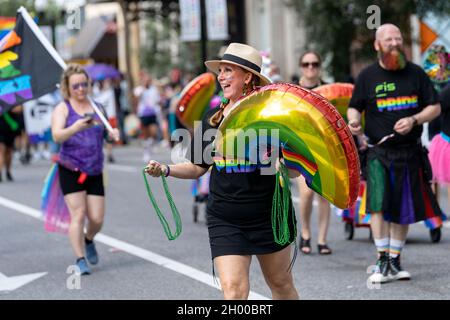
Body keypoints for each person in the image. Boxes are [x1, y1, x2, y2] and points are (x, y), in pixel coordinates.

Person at [145, 43, 299, 300]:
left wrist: (286, 164)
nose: (222, 76)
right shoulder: (212, 118)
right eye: (221, 71)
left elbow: (294, 169)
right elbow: (197, 167)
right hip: (225, 217)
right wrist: (165, 169)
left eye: (229, 70)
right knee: (234, 291)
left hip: (267, 214)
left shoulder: (272, 116)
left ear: (247, 76)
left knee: (281, 284)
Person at [347, 24, 442, 284]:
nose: (394, 42)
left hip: (409, 152)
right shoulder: (368, 76)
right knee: (377, 204)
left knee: (403, 207)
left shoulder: (416, 74)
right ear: (377, 45)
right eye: (389, 39)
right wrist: (354, 122)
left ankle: (395, 260)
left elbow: (434, 107)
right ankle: (381, 258)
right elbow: (355, 108)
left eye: (398, 38)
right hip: (379, 151)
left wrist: (414, 119)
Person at [51, 64, 119, 275]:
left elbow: (107, 135)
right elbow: (56, 136)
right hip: (70, 168)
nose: (80, 89)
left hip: (95, 169)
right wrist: (75, 127)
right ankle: (80, 259)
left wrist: (113, 135)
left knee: (97, 219)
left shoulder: (98, 107)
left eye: (84, 84)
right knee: (78, 214)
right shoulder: (63, 108)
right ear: (67, 87)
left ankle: (89, 239)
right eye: (76, 86)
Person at [296, 51, 332, 255]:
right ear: (301, 66)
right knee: (307, 193)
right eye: (306, 64)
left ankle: (322, 239)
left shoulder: (329, 90)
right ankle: (306, 232)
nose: (311, 67)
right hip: (300, 149)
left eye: (315, 64)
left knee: (324, 194)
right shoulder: (293, 90)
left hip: (324, 148)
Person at [428, 83, 450, 216]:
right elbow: (434, 111)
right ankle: (434, 214)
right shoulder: (447, 91)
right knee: (435, 181)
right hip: (445, 141)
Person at [134, 71, 161, 162]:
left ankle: (151, 145)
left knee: (153, 132)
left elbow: (157, 100)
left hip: (152, 113)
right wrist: (142, 88)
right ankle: (146, 152)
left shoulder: (153, 89)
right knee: (145, 134)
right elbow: (137, 98)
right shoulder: (139, 89)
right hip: (143, 114)